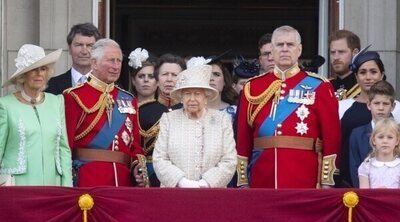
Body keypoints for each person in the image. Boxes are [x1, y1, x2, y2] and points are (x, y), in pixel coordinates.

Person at [235, 25, 341, 188]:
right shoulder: (252, 87)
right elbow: (243, 137)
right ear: (272, 51)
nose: (284, 49)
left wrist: (327, 180)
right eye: (279, 45)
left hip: (304, 176)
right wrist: (243, 180)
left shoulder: (320, 86)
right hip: (262, 176)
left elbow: (331, 136)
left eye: (290, 45)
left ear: (299, 50)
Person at [63, 39, 146, 187]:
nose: (116, 66)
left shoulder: (129, 100)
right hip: (88, 179)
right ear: (94, 63)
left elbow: (135, 145)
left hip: (123, 182)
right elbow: (66, 144)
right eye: (111, 61)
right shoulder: (74, 96)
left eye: (119, 61)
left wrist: (136, 168)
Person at [152, 64, 237, 188]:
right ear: (181, 97)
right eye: (187, 94)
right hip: (175, 193)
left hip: (211, 194)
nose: (192, 99)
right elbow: (159, 159)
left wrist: (206, 183)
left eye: (197, 94)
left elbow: (229, 160)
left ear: (206, 96)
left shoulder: (222, 119)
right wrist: (182, 182)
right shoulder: (169, 119)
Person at [0, 44, 72, 186]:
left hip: (53, 184)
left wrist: (67, 185)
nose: (39, 74)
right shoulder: (5, 105)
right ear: (22, 75)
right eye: (33, 69)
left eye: (43, 69)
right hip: (18, 185)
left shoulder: (56, 101)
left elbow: (64, 148)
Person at [338, 49, 400, 187]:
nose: (381, 108)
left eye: (373, 71)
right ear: (369, 105)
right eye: (362, 72)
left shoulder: (398, 122)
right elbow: (352, 165)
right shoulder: (348, 117)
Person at [128, 47, 167, 187]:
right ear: (133, 80)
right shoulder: (122, 108)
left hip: (156, 171)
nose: (146, 80)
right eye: (141, 76)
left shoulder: (165, 112)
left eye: (151, 77)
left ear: (157, 82)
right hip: (127, 169)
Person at [349, 80, 397, 187]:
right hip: (366, 196)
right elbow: (354, 169)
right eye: (376, 103)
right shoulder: (357, 134)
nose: (380, 108)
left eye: (385, 104)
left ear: (393, 106)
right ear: (369, 105)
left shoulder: (398, 133)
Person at [46, 23, 101, 94]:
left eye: (90, 45)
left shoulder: (107, 86)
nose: (84, 51)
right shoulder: (50, 86)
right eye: (79, 45)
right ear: (69, 49)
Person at [358, 118, 400, 188]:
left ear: (397, 141)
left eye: (390, 137)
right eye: (380, 137)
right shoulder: (366, 167)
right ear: (374, 140)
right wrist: (378, 193)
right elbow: (365, 194)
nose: (385, 141)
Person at [329, 30, 361, 100]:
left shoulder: (365, 87)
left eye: (341, 52)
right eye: (333, 52)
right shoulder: (325, 86)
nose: (336, 57)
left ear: (355, 53)